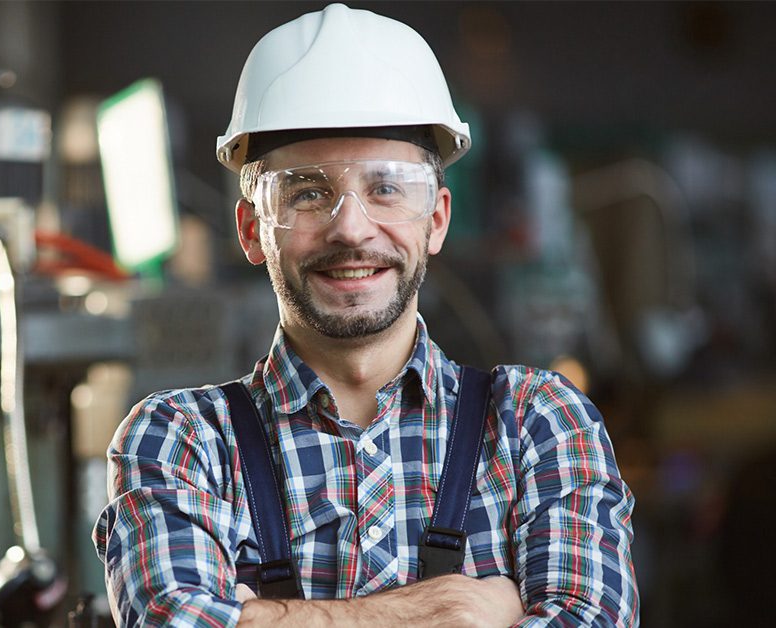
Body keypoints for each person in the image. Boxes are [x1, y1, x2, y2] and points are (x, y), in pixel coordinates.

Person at [93, 4, 637, 626]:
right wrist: (455, 608)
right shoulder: (181, 441)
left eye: (386, 187)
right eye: (306, 192)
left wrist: (265, 617)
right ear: (250, 229)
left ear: (435, 220)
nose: (350, 228)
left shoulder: (537, 425)